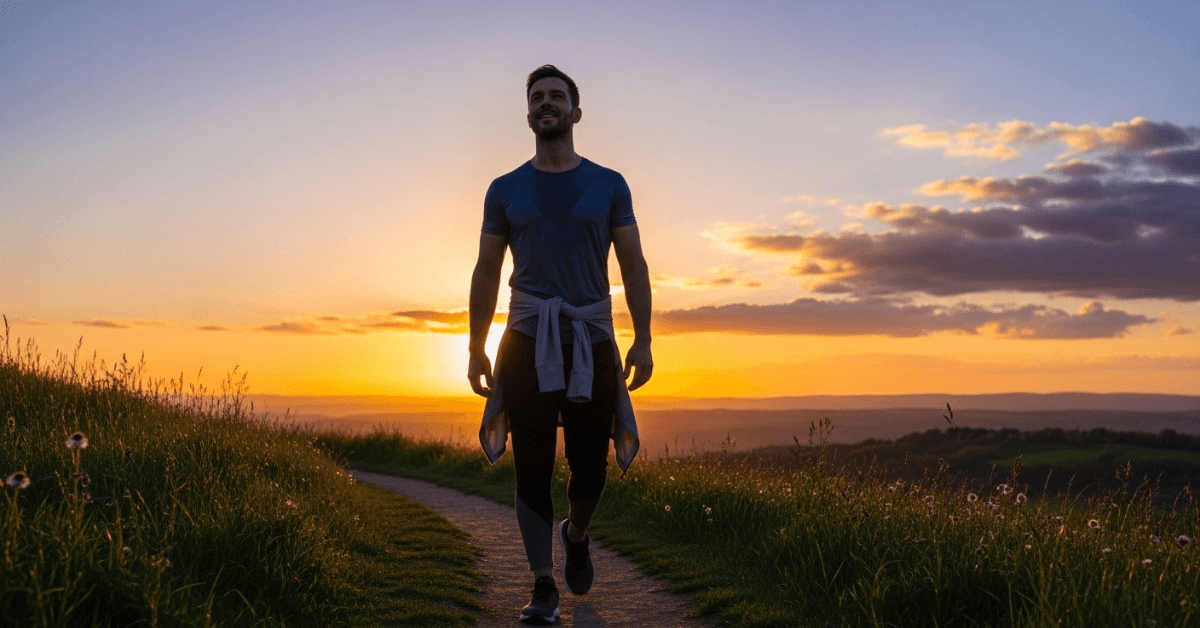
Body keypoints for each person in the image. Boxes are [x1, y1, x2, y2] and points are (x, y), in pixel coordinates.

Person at [467, 64, 653, 625]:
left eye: (557, 96)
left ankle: (576, 533)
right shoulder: (504, 189)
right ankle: (542, 582)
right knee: (531, 464)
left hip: (591, 335)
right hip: (525, 337)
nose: (546, 104)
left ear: (576, 111)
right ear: (529, 114)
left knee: (589, 467)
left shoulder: (609, 184)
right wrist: (476, 345)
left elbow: (634, 265)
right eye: (537, 97)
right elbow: (486, 270)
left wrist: (643, 339)